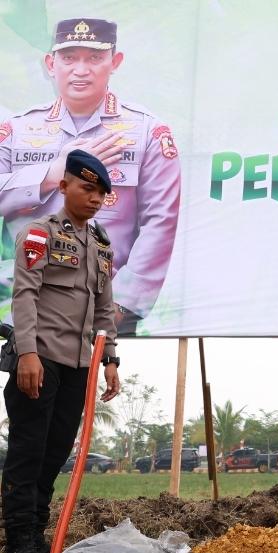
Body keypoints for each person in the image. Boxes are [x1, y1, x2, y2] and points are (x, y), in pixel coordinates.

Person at [0, 17, 181, 334]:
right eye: (69, 58)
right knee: (24, 382)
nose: (80, 70)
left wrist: (123, 305)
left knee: (90, 384)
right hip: (22, 301)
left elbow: (160, 221)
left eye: (94, 58)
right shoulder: (18, 130)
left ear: (115, 62)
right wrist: (51, 173)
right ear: (50, 63)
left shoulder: (147, 132)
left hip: (99, 308)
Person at [1, 150, 120, 553]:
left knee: (53, 455)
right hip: (40, 360)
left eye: (102, 193)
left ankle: (36, 535)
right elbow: (25, 294)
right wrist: (27, 354)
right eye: (87, 188)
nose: (94, 198)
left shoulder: (102, 246)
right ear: (64, 185)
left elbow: (105, 310)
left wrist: (110, 361)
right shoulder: (39, 233)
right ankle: (18, 547)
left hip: (79, 369)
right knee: (27, 453)